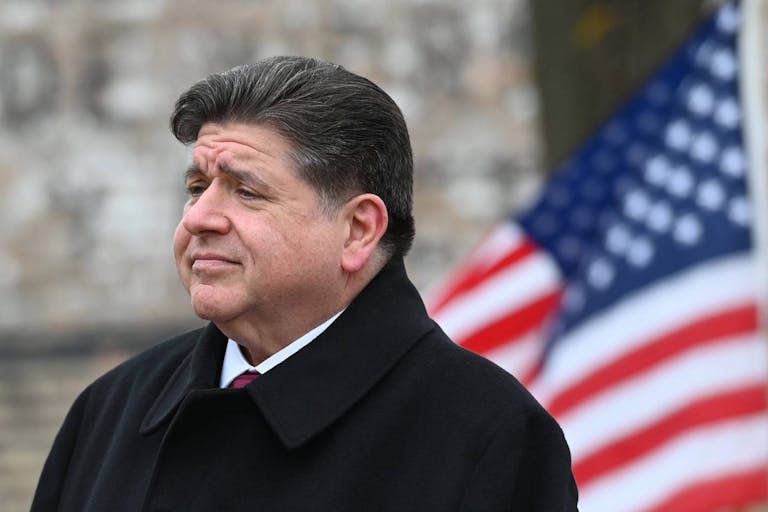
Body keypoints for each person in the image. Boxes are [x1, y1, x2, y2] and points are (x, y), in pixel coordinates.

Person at [31, 56, 578, 511]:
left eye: (246, 191)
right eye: (198, 187)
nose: (200, 217)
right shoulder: (110, 411)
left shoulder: (488, 435)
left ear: (358, 229)